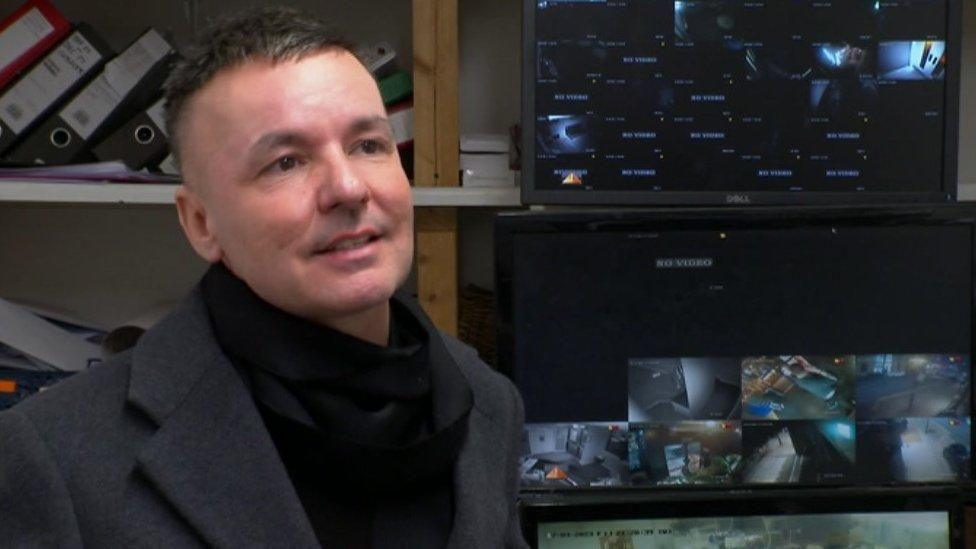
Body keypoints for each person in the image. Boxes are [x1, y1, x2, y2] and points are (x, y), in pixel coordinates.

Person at [0, 7, 527, 548]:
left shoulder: (487, 405)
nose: (347, 188)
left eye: (368, 145)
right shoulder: (56, 455)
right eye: (286, 162)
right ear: (201, 224)